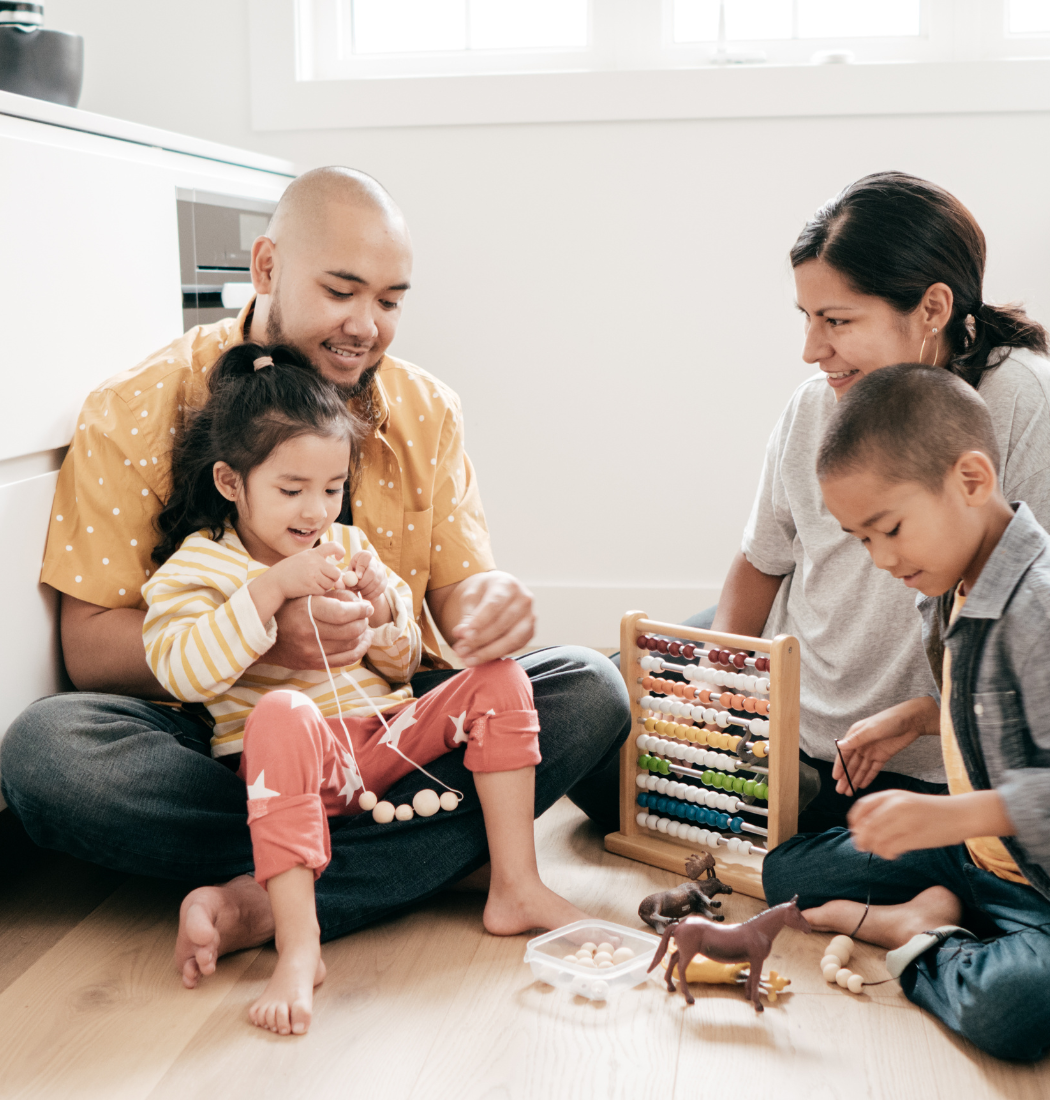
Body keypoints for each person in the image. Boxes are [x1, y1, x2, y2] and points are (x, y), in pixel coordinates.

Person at [0, 167, 627, 988]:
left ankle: (271, 898)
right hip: (219, 736)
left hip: (387, 734)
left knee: (590, 685)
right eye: (341, 291)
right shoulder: (136, 405)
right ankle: (427, 861)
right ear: (265, 269)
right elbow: (87, 649)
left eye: (392, 300)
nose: (366, 325)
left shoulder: (427, 408)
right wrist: (265, 638)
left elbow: (452, 602)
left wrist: (490, 605)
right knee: (50, 758)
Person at [143, 343, 585, 1035]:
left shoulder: (348, 547)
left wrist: (384, 614)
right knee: (282, 709)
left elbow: (406, 663)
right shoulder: (196, 567)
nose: (315, 511)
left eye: (331, 488)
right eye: (291, 490)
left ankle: (515, 886)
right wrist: (267, 593)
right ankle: (299, 945)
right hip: (285, 773)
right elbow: (179, 669)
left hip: (383, 746)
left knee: (501, 675)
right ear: (231, 482)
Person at [701, 171, 1050, 832]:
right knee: (616, 704)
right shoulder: (817, 403)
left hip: (927, 766)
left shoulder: (1032, 408)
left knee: (830, 861)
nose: (810, 351)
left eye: (837, 321)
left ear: (933, 311)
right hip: (802, 721)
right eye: (807, 319)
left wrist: (925, 718)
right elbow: (763, 559)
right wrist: (716, 688)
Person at [763, 365, 1050, 1061]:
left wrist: (959, 814)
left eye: (889, 529)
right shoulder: (950, 581)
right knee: (787, 874)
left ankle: (921, 942)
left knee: (1017, 1007)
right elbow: (996, 704)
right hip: (973, 853)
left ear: (971, 481)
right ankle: (936, 908)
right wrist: (918, 716)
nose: (881, 558)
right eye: (861, 540)